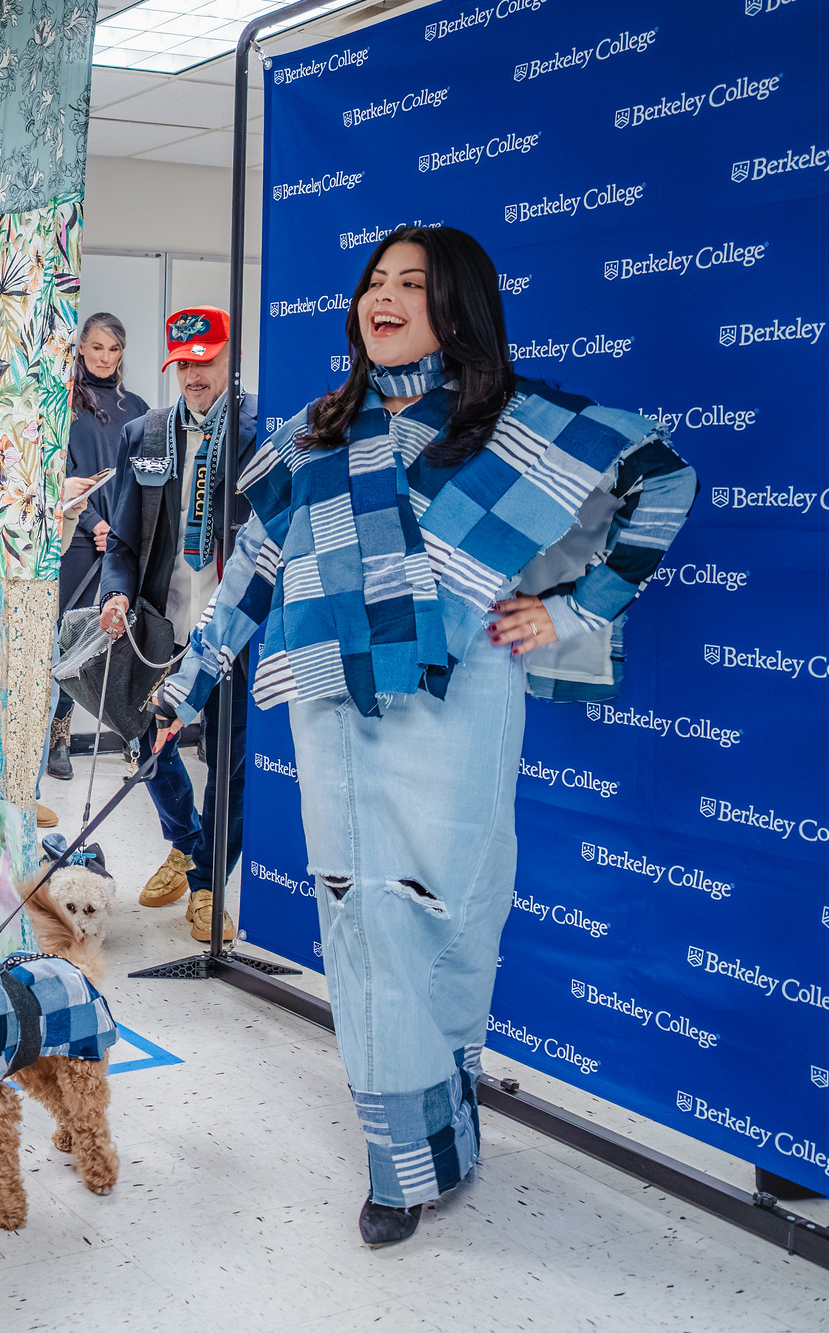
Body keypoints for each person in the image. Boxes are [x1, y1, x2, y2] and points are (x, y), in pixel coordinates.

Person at [155, 227, 693, 1247]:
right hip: (330, 704)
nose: (384, 298)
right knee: (359, 923)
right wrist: (188, 685)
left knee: (444, 921)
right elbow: (251, 573)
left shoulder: (518, 425)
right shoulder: (317, 430)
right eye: (374, 282)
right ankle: (397, 1164)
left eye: (413, 284)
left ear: (459, 306)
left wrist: (575, 611)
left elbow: (661, 481)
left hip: (458, 703)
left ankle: (444, 1132)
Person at [95, 306, 267, 942]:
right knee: (146, 743)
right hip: (161, 626)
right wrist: (115, 595)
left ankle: (208, 884)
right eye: (184, 366)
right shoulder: (145, 433)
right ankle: (188, 842)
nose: (194, 377)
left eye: (206, 363)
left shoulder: (263, 430)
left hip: (234, 628)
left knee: (229, 764)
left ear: (230, 359)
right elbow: (123, 543)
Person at [44, 312, 147, 781]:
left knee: (123, 638)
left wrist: (122, 528)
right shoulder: (64, 403)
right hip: (79, 543)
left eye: (115, 349)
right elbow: (57, 477)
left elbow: (144, 479)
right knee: (72, 640)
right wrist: (93, 521)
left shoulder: (140, 408)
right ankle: (60, 738)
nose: (106, 357)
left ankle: (133, 735)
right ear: (81, 347)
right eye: (98, 347)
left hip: (122, 544)